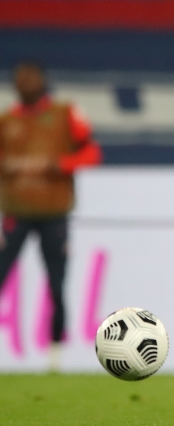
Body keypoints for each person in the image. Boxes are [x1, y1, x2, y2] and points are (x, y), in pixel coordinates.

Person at [0, 60, 102, 370]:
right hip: (16, 212)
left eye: (31, 78)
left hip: (54, 212)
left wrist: (60, 164)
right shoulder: (6, 121)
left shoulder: (64, 113)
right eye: (20, 79)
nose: (25, 83)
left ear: (44, 81)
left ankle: (55, 355)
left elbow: (92, 153)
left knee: (57, 283)